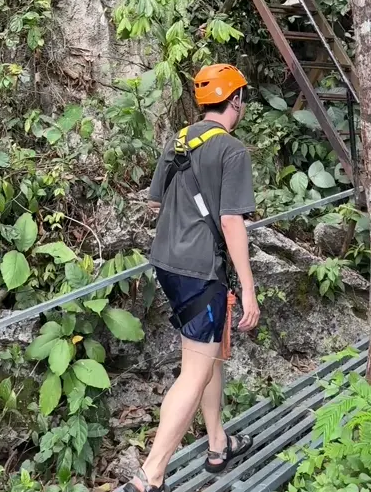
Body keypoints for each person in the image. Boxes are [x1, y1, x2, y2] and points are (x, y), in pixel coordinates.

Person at [117, 64, 260, 492]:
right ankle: (152, 473)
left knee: (204, 354)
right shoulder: (232, 151)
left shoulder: (179, 140)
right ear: (234, 100)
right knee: (195, 371)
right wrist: (249, 291)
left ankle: (218, 445)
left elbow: (160, 201)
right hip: (202, 271)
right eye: (243, 97)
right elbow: (232, 221)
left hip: (167, 262)